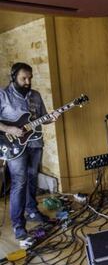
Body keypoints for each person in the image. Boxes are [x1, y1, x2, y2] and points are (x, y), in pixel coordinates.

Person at [0, 62, 60, 240]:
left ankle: (32, 211)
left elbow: (42, 118)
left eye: (30, 78)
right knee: (19, 182)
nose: (27, 81)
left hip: (35, 143)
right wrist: (9, 129)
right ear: (14, 77)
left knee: (33, 177)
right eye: (23, 78)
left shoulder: (35, 95)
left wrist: (52, 118)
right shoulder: (3, 95)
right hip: (13, 146)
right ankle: (18, 225)